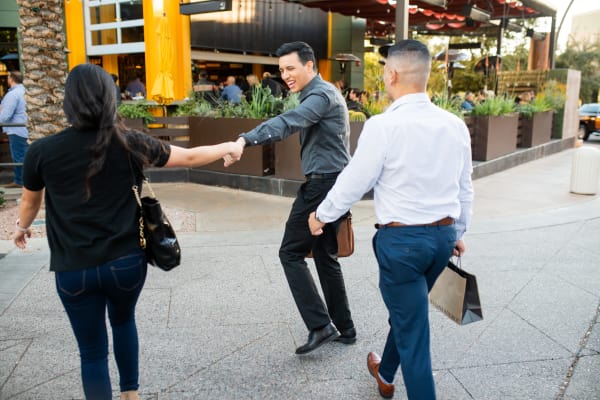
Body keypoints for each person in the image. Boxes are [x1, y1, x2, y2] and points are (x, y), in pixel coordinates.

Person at [13, 63, 243, 400]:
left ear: (68, 101)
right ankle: (130, 394)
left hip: (73, 268)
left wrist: (21, 229)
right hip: (125, 263)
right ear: (109, 98)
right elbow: (191, 157)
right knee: (123, 323)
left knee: (91, 352)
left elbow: (30, 203)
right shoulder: (129, 142)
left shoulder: (41, 152)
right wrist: (229, 146)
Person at [308, 39, 474, 399]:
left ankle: (404, 382)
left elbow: (354, 181)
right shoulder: (455, 125)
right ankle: (384, 373)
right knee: (408, 312)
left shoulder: (383, 127)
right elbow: (464, 188)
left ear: (392, 73)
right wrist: (459, 230)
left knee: (414, 333)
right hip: (443, 240)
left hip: (402, 245)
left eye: (385, 70)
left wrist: (321, 216)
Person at [230, 41, 355, 355]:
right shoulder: (321, 93)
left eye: (291, 68)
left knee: (290, 253)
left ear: (310, 66)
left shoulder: (320, 96)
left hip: (323, 185)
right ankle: (346, 329)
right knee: (325, 256)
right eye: (282, 69)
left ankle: (321, 325)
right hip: (333, 182)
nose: (285, 75)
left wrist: (245, 139)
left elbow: (289, 122)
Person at [0, 70, 28, 188]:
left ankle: (20, 182)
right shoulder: (25, 91)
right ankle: (21, 181)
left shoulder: (12, 94)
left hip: (16, 130)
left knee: (18, 157)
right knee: (23, 156)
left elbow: (5, 116)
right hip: (24, 129)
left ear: (11, 79)